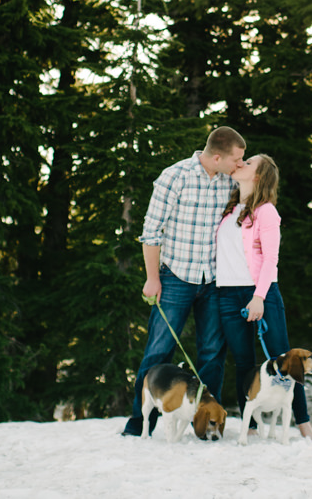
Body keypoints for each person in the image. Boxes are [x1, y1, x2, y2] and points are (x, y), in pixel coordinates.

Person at [122, 126, 246, 437]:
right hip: (176, 277)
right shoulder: (174, 176)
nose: (239, 165)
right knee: (158, 351)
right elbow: (151, 233)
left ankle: (204, 419)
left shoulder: (232, 179)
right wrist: (152, 279)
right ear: (216, 157)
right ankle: (139, 422)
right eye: (236, 159)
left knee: (212, 352)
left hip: (216, 280)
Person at [215, 154, 312, 442]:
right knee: (244, 362)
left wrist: (259, 297)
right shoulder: (230, 208)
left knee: (285, 361)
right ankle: (249, 426)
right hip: (227, 293)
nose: (241, 164)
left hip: (261, 292)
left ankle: (304, 423)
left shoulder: (266, 211)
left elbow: (272, 259)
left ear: (258, 177)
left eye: (248, 163)